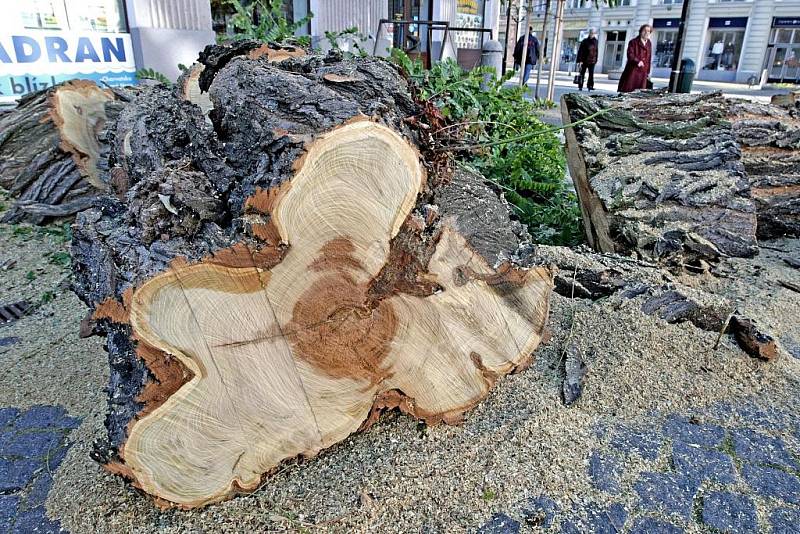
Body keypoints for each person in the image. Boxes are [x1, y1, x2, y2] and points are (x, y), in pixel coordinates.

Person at [618, 24, 652, 93]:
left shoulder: (649, 43)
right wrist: (637, 61)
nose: (646, 33)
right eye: (644, 30)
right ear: (640, 32)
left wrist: (648, 72)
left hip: (643, 71)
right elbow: (630, 54)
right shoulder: (633, 42)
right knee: (629, 90)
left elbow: (649, 58)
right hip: (633, 70)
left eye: (648, 31)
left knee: (640, 92)